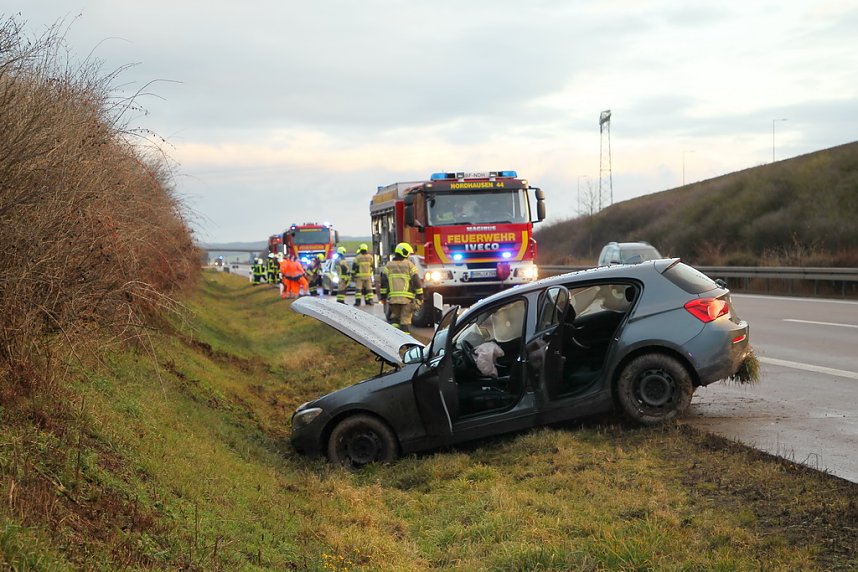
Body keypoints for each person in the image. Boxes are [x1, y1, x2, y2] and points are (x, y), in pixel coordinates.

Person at [380, 242, 424, 332]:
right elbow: (416, 281)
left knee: (395, 320)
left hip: (393, 300)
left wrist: (383, 296)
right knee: (405, 321)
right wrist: (420, 295)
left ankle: (393, 337)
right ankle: (405, 339)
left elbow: (383, 282)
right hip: (407, 300)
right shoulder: (409, 265)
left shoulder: (388, 266)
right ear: (405, 253)